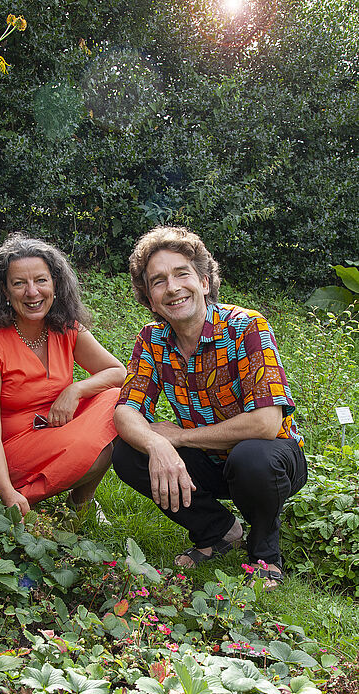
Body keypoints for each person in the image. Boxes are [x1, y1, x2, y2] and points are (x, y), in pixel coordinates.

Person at [113, 226, 307, 587]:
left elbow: (266, 423)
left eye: (181, 274)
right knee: (128, 452)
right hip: (210, 459)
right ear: (150, 299)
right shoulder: (151, 339)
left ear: (204, 282)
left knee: (251, 457)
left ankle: (265, 554)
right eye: (158, 281)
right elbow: (127, 409)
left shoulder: (246, 326)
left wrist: (181, 438)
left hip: (272, 457)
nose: (172, 288)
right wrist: (157, 444)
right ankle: (218, 531)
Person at [0, 233, 126, 517]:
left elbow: (119, 372)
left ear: (55, 284)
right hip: (9, 448)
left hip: (55, 429)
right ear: (5, 290)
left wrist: (75, 390)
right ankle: (20, 499)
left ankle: (81, 503)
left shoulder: (65, 327)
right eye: (19, 283)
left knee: (121, 402)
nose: (32, 292)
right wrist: (5, 491)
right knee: (102, 439)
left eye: (41, 280)